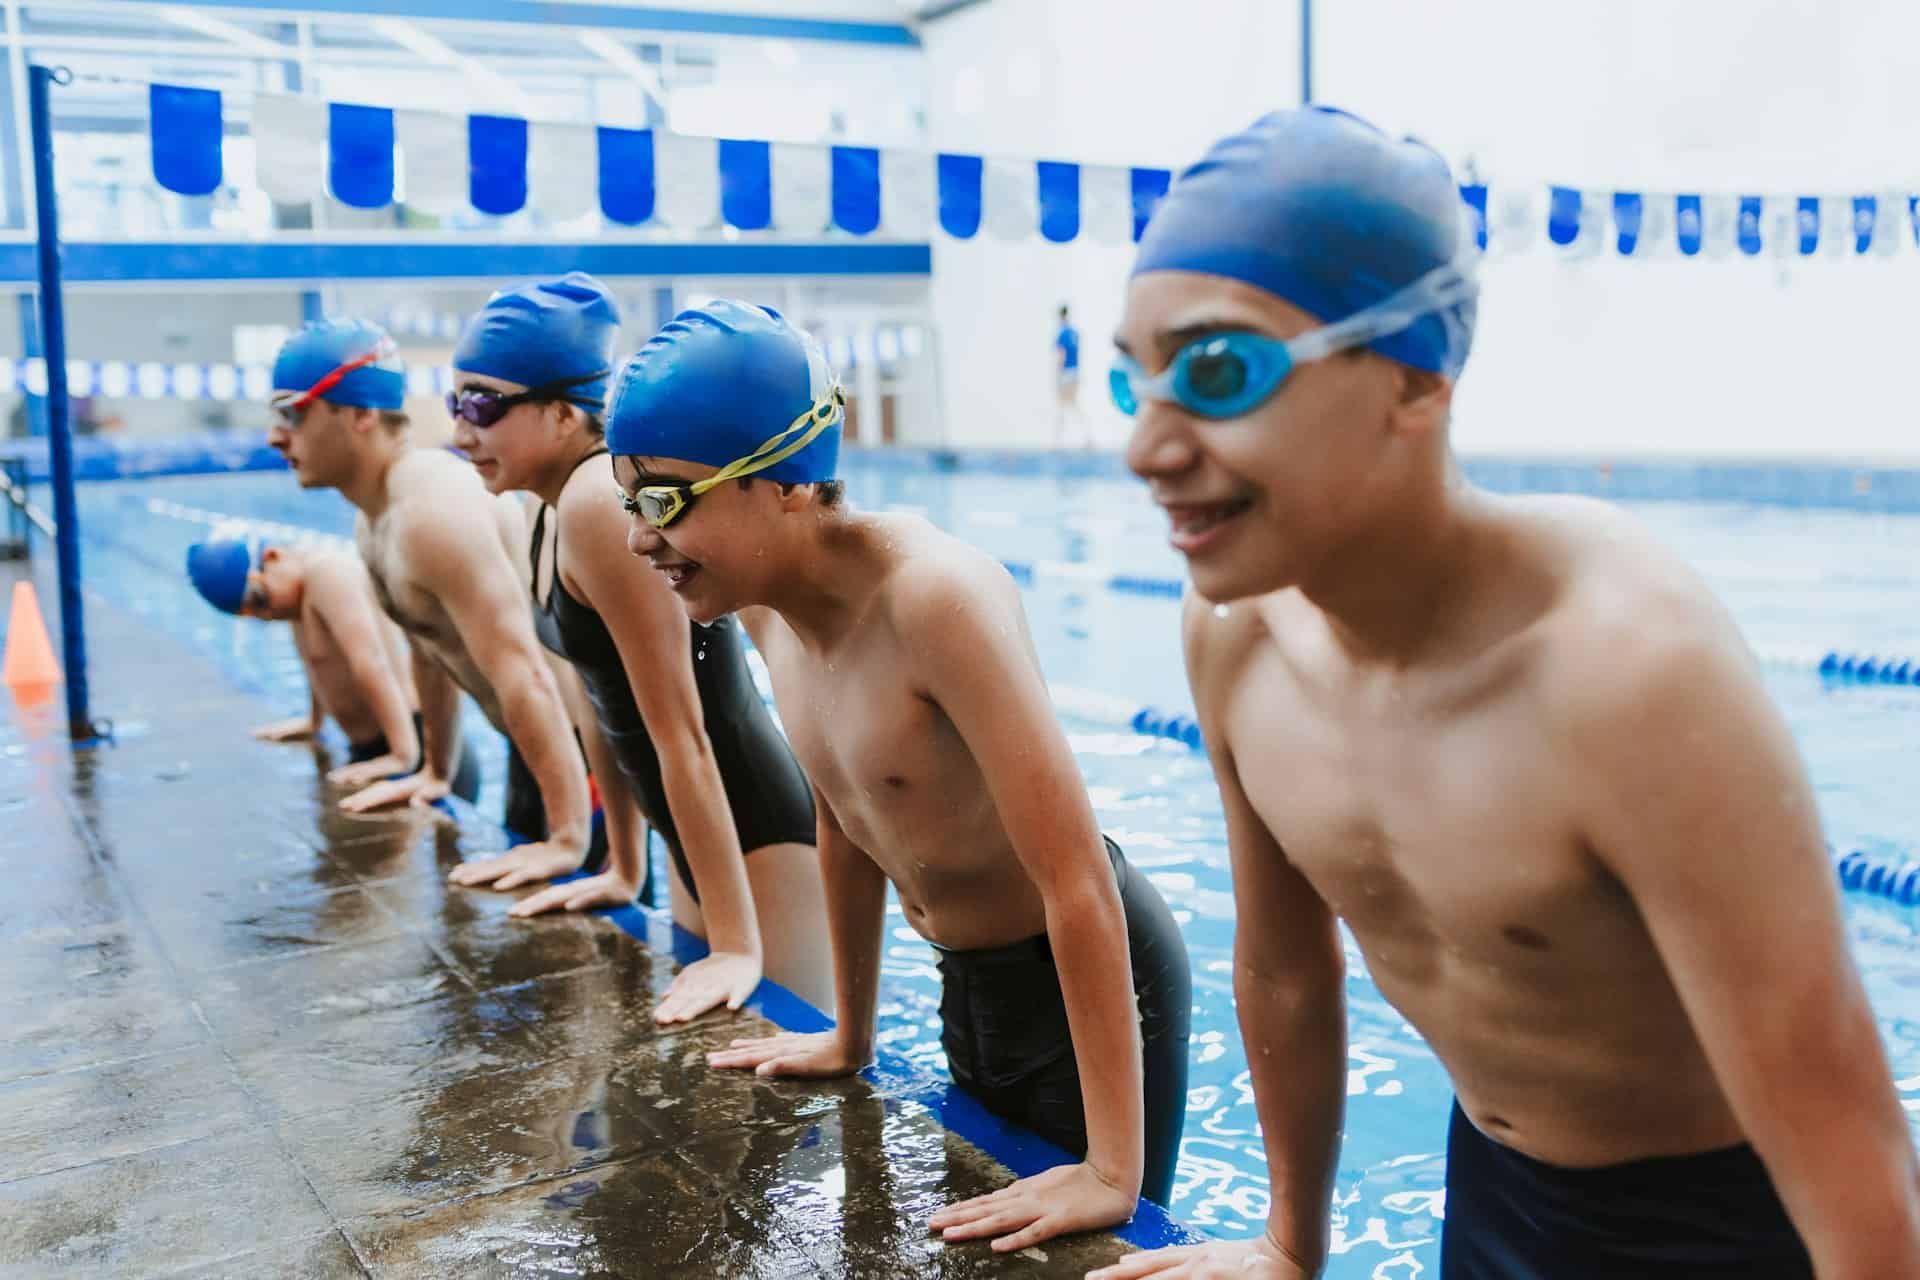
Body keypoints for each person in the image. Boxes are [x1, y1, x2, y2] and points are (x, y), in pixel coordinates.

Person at [1095, 106, 1920, 1280]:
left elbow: (1850, 1143)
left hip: (1732, 1229)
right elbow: (1284, 964)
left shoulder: (1629, 672)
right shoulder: (1234, 635)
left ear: (1417, 376)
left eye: (1219, 370)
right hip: (1490, 1195)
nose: (1148, 448)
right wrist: (1290, 1242)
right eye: (1139, 380)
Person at [603, 301, 1191, 1250]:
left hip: (1084, 970)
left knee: (1091, 1254)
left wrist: (1113, 1171)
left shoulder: (935, 598)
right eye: (630, 501)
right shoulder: (771, 612)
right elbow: (847, 819)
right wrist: (851, 1034)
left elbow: (1075, 875)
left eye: (666, 500)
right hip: (971, 977)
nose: (638, 537)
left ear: (786, 483)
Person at [440, 273, 832, 1018]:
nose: (461, 430)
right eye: (454, 402)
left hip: (751, 831)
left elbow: (680, 730)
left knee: (796, 1107)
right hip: (695, 831)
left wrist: (736, 944)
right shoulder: (549, 510)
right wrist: (624, 866)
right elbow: (601, 702)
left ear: (562, 412)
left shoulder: (595, 505)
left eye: (483, 404)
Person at [262, 318, 594, 883]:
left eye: (293, 412)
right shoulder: (375, 520)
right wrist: (434, 771)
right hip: (534, 752)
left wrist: (567, 838)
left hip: (585, 766)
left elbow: (524, 673)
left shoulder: (431, 512)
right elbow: (431, 641)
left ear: (361, 415)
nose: (276, 435)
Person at [184, 531, 481, 802]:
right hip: (377, 747)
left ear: (272, 558)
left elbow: (370, 661)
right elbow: (318, 662)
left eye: (260, 600)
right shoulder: (294, 597)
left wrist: (401, 755)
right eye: (252, 615)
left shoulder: (328, 574)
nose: (267, 615)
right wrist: (314, 720)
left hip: (418, 745)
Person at [1055, 302, 1086, 447]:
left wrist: (1057, 375)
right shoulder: (1075, 333)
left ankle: (1059, 440)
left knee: (1063, 405)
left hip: (1066, 373)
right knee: (1074, 404)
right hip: (1075, 372)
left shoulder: (1062, 334)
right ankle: (1085, 436)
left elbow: (1061, 355)